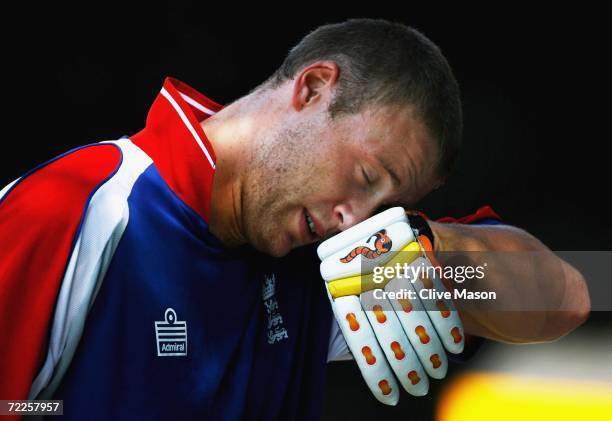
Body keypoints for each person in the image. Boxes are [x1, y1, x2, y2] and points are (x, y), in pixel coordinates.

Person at [0, 19, 589, 420]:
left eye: (383, 206)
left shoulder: (339, 261)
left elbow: (567, 299)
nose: (353, 219)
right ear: (312, 88)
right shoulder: (75, 210)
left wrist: (436, 254)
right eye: (364, 177)